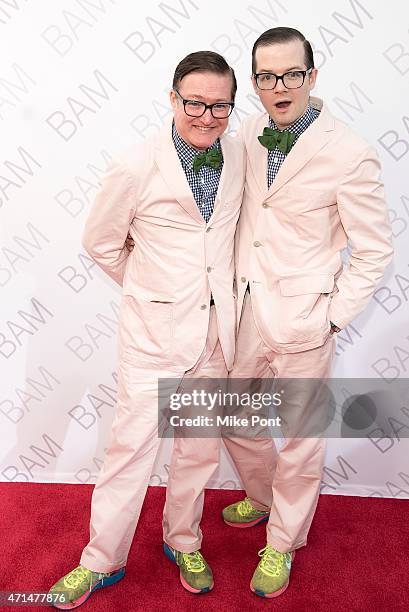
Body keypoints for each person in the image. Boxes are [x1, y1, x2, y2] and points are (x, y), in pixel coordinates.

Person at [49, 50, 245, 608]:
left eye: (221, 106)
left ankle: (183, 540)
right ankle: (100, 560)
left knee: (200, 451)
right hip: (152, 335)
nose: (207, 117)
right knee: (131, 451)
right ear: (173, 99)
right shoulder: (136, 164)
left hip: (217, 335)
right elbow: (100, 242)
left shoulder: (238, 156)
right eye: (196, 104)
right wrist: (151, 287)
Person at [221, 27, 393, 599]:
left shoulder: (349, 151)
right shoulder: (246, 131)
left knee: (300, 438)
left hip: (305, 319)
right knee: (234, 417)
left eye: (292, 73)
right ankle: (267, 495)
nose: (280, 86)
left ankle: (283, 539)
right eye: (267, 76)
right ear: (255, 83)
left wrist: (335, 316)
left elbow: (374, 249)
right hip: (246, 311)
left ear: (312, 77)